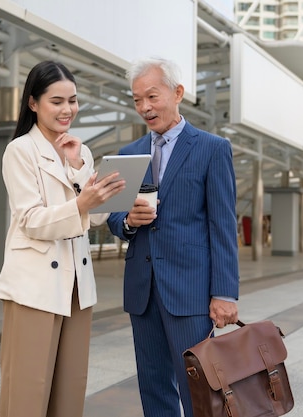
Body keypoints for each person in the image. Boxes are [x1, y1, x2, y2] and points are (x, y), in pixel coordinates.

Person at [107, 57, 240, 417]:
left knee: (199, 387)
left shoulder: (212, 148)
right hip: (143, 291)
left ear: (177, 93)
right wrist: (129, 221)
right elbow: (114, 218)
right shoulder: (128, 154)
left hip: (190, 291)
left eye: (152, 96)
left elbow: (223, 225)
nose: (145, 107)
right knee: (153, 385)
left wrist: (224, 293)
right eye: (137, 100)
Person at [0, 60, 125, 417]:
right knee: (27, 389)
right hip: (35, 286)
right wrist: (83, 202)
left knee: (70, 388)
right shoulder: (20, 151)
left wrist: (82, 172)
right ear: (33, 103)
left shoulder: (80, 151)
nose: (68, 109)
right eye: (57, 101)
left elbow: (95, 217)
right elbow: (31, 221)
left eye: (73, 100)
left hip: (77, 287)